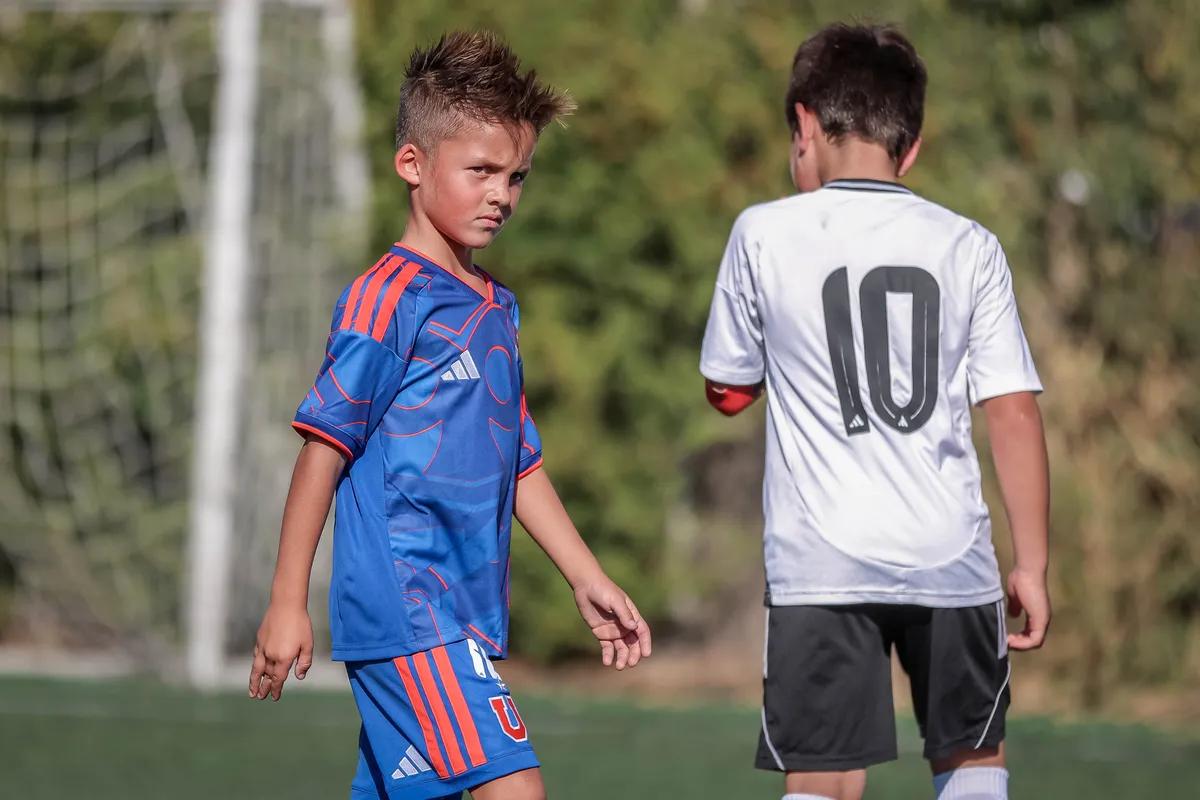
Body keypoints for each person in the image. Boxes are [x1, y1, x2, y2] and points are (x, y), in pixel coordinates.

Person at [249, 30, 652, 800]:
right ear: (413, 164)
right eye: (481, 171)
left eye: (516, 176)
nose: (502, 193)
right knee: (515, 790)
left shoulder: (496, 306)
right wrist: (286, 600)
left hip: (460, 618)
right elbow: (322, 451)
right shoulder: (387, 299)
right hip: (413, 611)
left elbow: (518, 460)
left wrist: (584, 574)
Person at [699, 22, 1050, 800]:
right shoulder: (970, 244)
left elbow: (726, 392)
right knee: (971, 767)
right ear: (912, 146)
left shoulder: (763, 231)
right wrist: (1029, 564)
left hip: (822, 565)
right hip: (952, 559)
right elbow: (1014, 411)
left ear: (803, 125)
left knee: (823, 781)